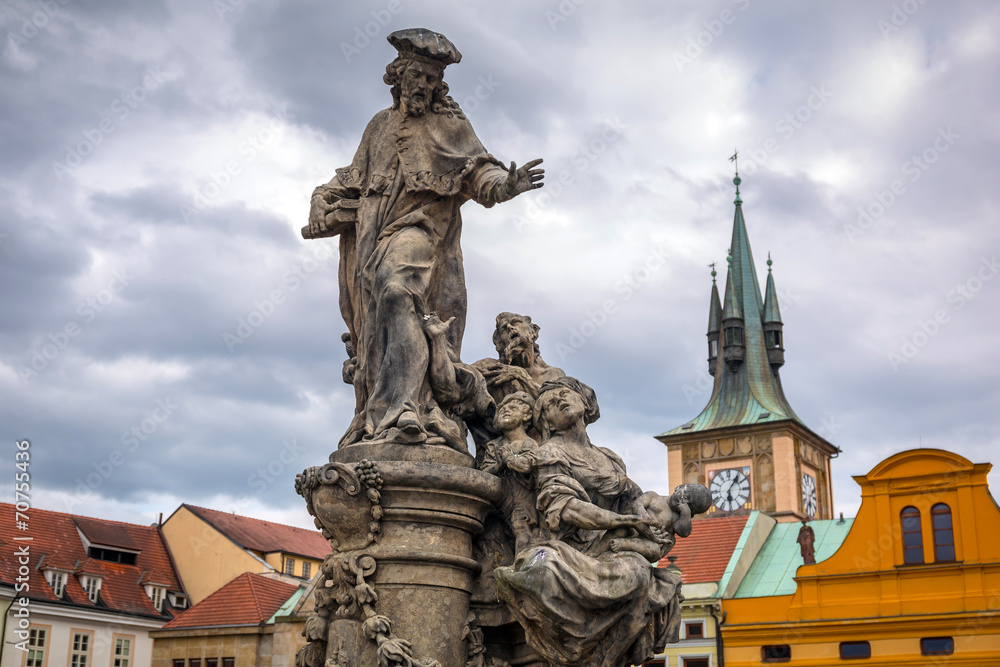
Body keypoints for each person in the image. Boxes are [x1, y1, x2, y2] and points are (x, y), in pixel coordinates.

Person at [305, 28, 544, 449]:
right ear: (399, 76)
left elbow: (477, 171)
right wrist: (322, 199)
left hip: (421, 232)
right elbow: (352, 179)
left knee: (398, 292)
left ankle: (405, 407)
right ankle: (382, 411)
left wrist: (507, 184)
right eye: (418, 76)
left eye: (433, 80)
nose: (425, 86)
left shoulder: (449, 124)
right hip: (371, 241)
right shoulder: (379, 126)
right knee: (377, 317)